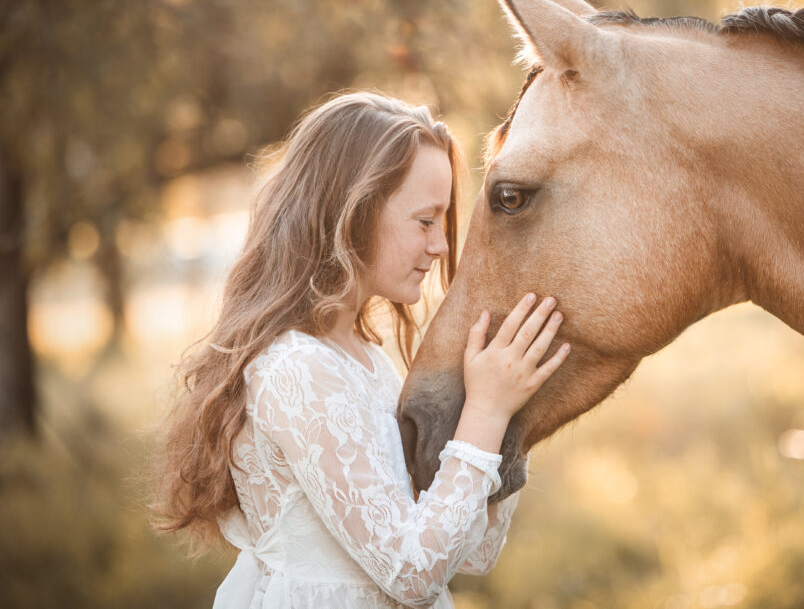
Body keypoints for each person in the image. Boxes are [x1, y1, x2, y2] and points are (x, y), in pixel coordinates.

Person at [153, 92, 570, 608]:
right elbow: (412, 575)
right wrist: (485, 411)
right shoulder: (296, 370)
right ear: (351, 211)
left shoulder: (367, 362)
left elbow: (473, 553)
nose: (441, 245)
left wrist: (511, 407)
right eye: (425, 220)